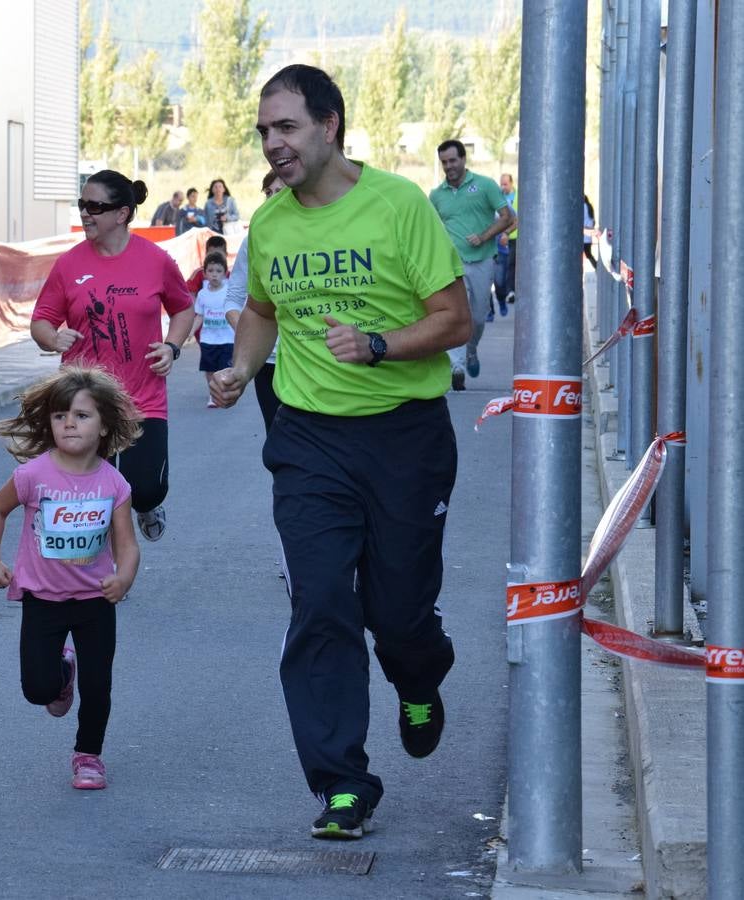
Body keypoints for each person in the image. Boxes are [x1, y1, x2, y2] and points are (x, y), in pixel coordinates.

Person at [211, 63, 470, 841]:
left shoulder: (397, 205)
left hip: (405, 435)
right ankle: (342, 784)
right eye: (263, 130)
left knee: (396, 613)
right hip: (311, 438)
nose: (273, 144)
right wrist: (241, 367)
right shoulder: (273, 224)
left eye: (286, 127)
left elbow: (456, 320)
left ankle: (419, 674)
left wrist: (382, 343)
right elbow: (259, 308)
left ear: (329, 126)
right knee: (321, 604)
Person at [0, 366, 141, 790]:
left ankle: (88, 755)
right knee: (38, 689)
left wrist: (123, 579)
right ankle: (60, 674)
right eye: (59, 415)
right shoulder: (33, 475)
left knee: (99, 685)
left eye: (82, 415)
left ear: (104, 425)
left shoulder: (114, 482)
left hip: (94, 602)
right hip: (43, 599)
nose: (69, 423)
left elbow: (127, 544)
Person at [30, 170, 195, 542]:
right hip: (83, 401)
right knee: (86, 495)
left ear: (122, 214)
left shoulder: (155, 260)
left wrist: (172, 346)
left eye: (95, 207)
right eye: (81, 205)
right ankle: (91, 566)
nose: (85, 214)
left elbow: (184, 308)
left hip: (142, 399)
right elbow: (40, 321)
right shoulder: (69, 264)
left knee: (147, 488)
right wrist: (52, 339)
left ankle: (146, 507)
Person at [429, 140, 515, 390]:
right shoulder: (436, 195)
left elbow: (510, 218)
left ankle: (471, 351)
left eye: (453, 160)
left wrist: (484, 237)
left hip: (482, 261)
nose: (449, 166)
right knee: (457, 314)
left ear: (464, 159)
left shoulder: (485, 186)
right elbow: (428, 227)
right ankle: (456, 367)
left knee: (477, 318)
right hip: (451, 265)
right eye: (444, 162)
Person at [222, 168, 286, 433]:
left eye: (279, 193)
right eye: (267, 193)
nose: (272, 199)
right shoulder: (255, 239)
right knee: (277, 441)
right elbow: (233, 300)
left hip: (309, 360)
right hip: (268, 362)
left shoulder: (320, 235)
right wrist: (252, 335)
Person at [194, 251, 233, 408]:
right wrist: (189, 333)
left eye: (218, 271)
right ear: (205, 273)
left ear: (225, 273)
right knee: (210, 370)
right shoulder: (202, 295)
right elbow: (199, 316)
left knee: (224, 368)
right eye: (210, 271)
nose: (214, 275)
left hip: (227, 339)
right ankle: (213, 394)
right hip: (208, 339)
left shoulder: (229, 292)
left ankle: (223, 394)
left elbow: (236, 312)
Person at [500, 172, 519, 304]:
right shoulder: (499, 197)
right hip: (500, 238)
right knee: (503, 268)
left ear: (511, 183)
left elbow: (519, 217)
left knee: (512, 265)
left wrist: (507, 232)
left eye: (505, 184)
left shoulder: (518, 196)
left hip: (515, 236)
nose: (503, 187)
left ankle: (512, 290)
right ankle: (506, 292)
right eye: (501, 184)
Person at [582, 194, 598, 270]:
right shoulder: (589, 206)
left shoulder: (583, 207)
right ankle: (596, 266)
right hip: (588, 237)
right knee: (588, 254)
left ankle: (597, 266)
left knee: (587, 254)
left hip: (584, 235)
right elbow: (593, 221)